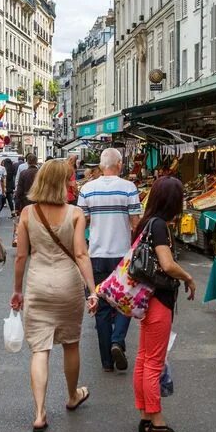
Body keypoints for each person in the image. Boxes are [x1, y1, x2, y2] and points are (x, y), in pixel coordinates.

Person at [9, 159, 99, 432]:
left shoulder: (27, 213)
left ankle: (39, 412)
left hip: (38, 283)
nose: (72, 182)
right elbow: (81, 254)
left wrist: (17, 290)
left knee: (40, 349)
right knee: (71, 343)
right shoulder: (75, 213)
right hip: (68, 284)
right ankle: (72, 396)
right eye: (69, 178)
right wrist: (92, 290)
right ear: (61, 182)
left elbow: (21, 256)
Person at [131, 176, 197, 432]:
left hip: (146, 299)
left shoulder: (146, 224)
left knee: (144, 358)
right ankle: (157, 423)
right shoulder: (159, 227)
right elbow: (167, 265)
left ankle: (146, 416)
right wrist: (188, 277)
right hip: (158, 300)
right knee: (153, 362)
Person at [77, 148, 141, 372]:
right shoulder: (128, 188)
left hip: (95, 255)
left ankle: (106, 361)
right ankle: (117, 339)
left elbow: (81, 223)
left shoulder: (87, 189)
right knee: (125, 302)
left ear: (102, 166)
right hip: (122, 256)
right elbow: (135, 223)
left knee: (102, 307)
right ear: (120, 164)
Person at [13, 154, 39, 247]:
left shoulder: (23, 173)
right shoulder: (40, 173)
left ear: (27, 162)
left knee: (26, 224)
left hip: (25, 202)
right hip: (38, 202)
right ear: (36, 162)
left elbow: (19, 191)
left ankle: (26, 242)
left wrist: (16, 206)